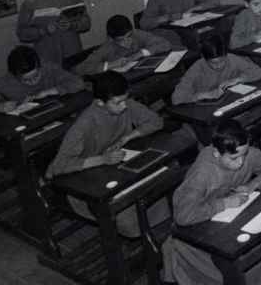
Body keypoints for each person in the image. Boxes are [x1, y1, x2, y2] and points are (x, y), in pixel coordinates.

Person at [162, 119, 261, 284]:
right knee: (255, 255)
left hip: (227, 221)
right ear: (216, 153)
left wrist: (254, 184)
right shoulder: (203, 173)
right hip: (195, 236)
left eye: (244, 155)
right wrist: (224, 204)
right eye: (234, 158)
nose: (241, 162)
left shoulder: (241, 150)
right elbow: (183, 215)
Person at [45, 72, 169, 237]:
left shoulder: (124, 103)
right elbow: (59, 166)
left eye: (125, 99)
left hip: (115, 170)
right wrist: (102, 159)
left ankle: (157, 237)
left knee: (157, 192)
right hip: (84, 182)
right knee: (131, 221)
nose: (124, 106)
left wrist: (127, 137)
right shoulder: (84, 124)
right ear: (100, 102)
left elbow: (156, 121)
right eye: (118, 103)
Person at [0, 45, 85, 115]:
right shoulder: (6, 83)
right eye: (26, 80)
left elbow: (78, 83)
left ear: (39, 65)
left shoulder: (48, 68)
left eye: (36, 76)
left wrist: (48, 91)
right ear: (14, 75)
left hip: (54, 117)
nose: (33, 82)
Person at [172, 35, 261, 105]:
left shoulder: (232, 59)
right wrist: (204, 95)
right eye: (213, 63)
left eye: (222, 61)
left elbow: (260, 72)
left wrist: (237, 79)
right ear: (204, 58)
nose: (218, 66)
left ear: (225, 54)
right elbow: (176, 98)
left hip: (226, 102)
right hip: (204, 109)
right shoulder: (196, 68)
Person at [72, 15, 171, 76]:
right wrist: (110, 65)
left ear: (131, 30)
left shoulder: (136, 34)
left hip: (142, 74)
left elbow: (165, 44)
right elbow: (78, 70)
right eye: (121, 40)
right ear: (111, 38)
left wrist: (141, 53)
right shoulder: (107, 47)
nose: (127, 41)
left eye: (128, 36)